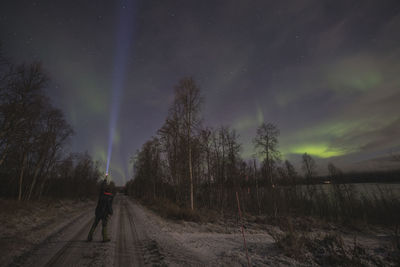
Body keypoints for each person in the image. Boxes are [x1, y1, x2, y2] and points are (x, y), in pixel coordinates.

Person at [87, 177, 114, 242]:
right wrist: (111, 212)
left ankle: (89, 237)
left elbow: (102, 188)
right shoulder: (109, 197)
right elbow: (109, 206)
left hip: (98, 212)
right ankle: (104, 238)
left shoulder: (101, 195)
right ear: (109, 191)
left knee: (95, 224)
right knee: (104, 225)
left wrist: (104, 181)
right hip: (104, 214)